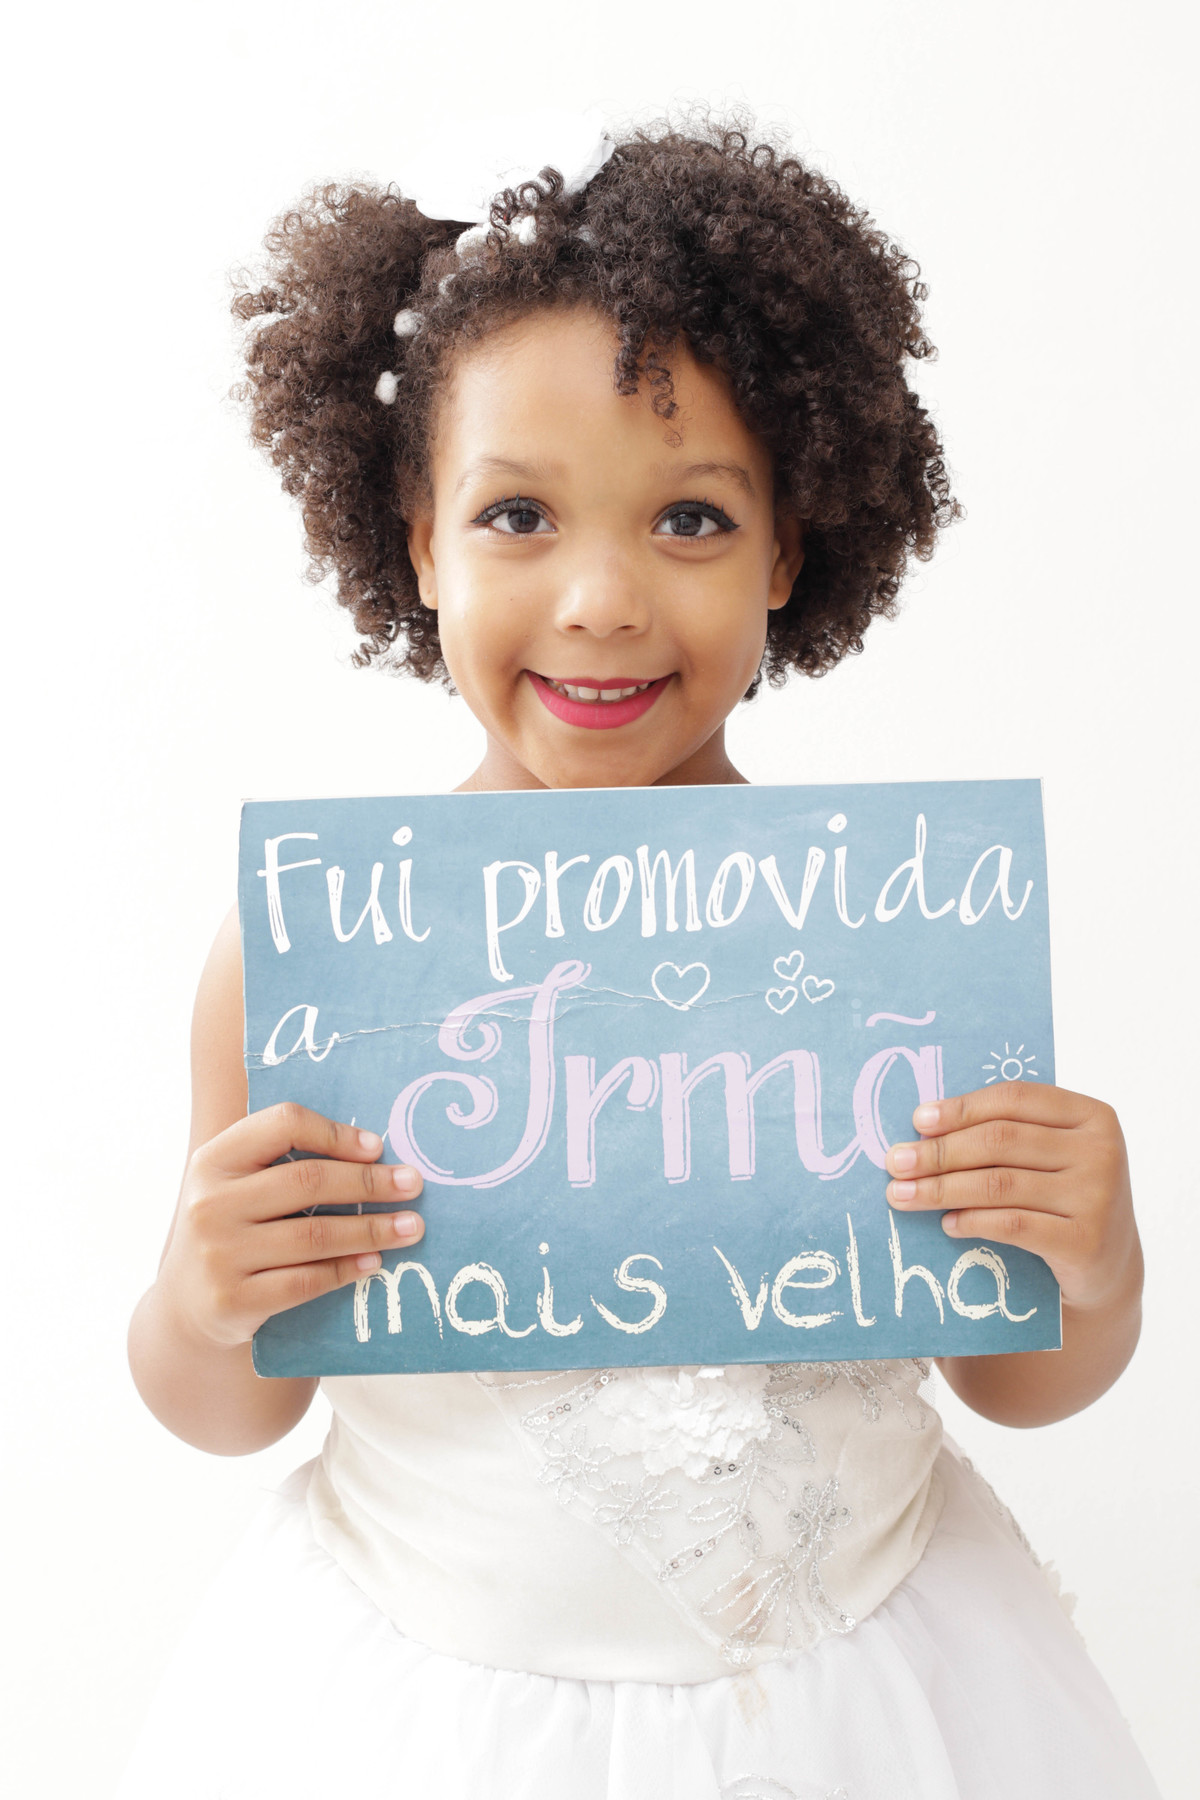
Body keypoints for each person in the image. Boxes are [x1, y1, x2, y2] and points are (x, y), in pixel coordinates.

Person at [121, 117, 1160, 1799]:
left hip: (859, 1701)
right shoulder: (310, 950)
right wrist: (199, 1297)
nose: (602, 599)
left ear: (788, 550)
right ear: (418, 543)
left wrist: (1094, 1264)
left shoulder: (902, 926)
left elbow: (1013, 1374)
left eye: (688, 519)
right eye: (517, 514)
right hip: (427, 1714)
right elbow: (221, 1401)